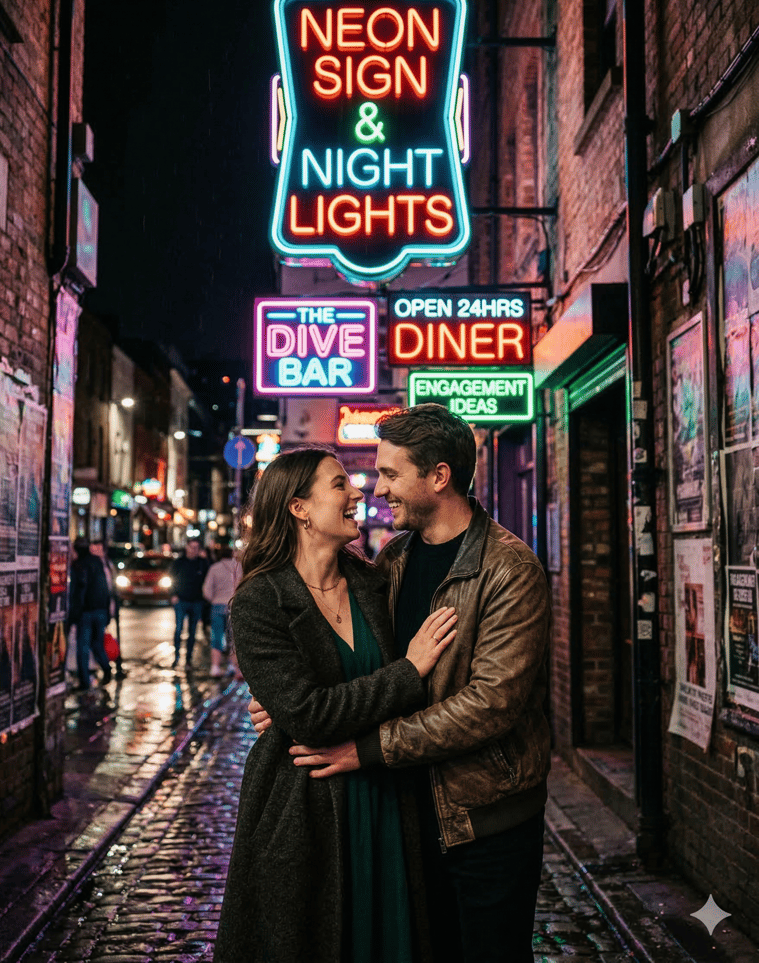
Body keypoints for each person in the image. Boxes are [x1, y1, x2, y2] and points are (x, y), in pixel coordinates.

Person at [256, 404, 552, 963]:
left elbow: (490, 705)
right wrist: (290, 700)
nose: (378, 488)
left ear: (438, 476)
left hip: (484, 817)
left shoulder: (509, 569)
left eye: (391, 474)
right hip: (408, 812)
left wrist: (367, 750)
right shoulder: (393, 559)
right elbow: (364, 661)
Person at [212, 447, 458, 963]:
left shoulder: (376, 583)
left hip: (387, 792)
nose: (357, 492)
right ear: (299, 507)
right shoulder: (259, 601)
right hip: (305, 802)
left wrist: (299, 707)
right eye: (339, 484)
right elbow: (309, 716)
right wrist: (407, 671)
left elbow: (316, 707)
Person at [69, 536, 113, 691]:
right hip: (100, 610)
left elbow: (78, 592)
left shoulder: (78, 565)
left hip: (85, 612)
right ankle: (106, 670)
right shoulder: (97, 562)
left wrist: (74, 614)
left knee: (83, 647)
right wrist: (107, 610)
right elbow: (105, 587)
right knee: (97, 644)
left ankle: (84, 681)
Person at [202, 545, 242, 677]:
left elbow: (206, 590)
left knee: (217, 636)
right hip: (234, 605)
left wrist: (214, 599)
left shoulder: (214, 568)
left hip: (218, 605)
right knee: (234, 638)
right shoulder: (239, 567)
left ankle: (215, 667)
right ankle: (234, 667)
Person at [169, 538, 209, 668]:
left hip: (197, 601)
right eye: (192, 547)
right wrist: (173, 595)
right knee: (178, 629)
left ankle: (188, 660)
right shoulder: (179, 562)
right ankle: (176, 658)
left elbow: (208, 579)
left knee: (192, 632)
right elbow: (171, 578)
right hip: (181, 600)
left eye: (196, 547)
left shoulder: (202, 563)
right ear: (187, 547)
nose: (194, 550)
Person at [91, 541, 126, 679]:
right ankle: (103, 666)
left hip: (104, 608)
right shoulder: (95, 565)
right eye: (93, 550)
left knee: (99, 641)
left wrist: (112, 606)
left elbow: (111, 588)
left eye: (98, 549)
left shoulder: (107, 566)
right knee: (96, 641)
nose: (95, 552)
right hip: (99, 608)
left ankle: (107, 666)